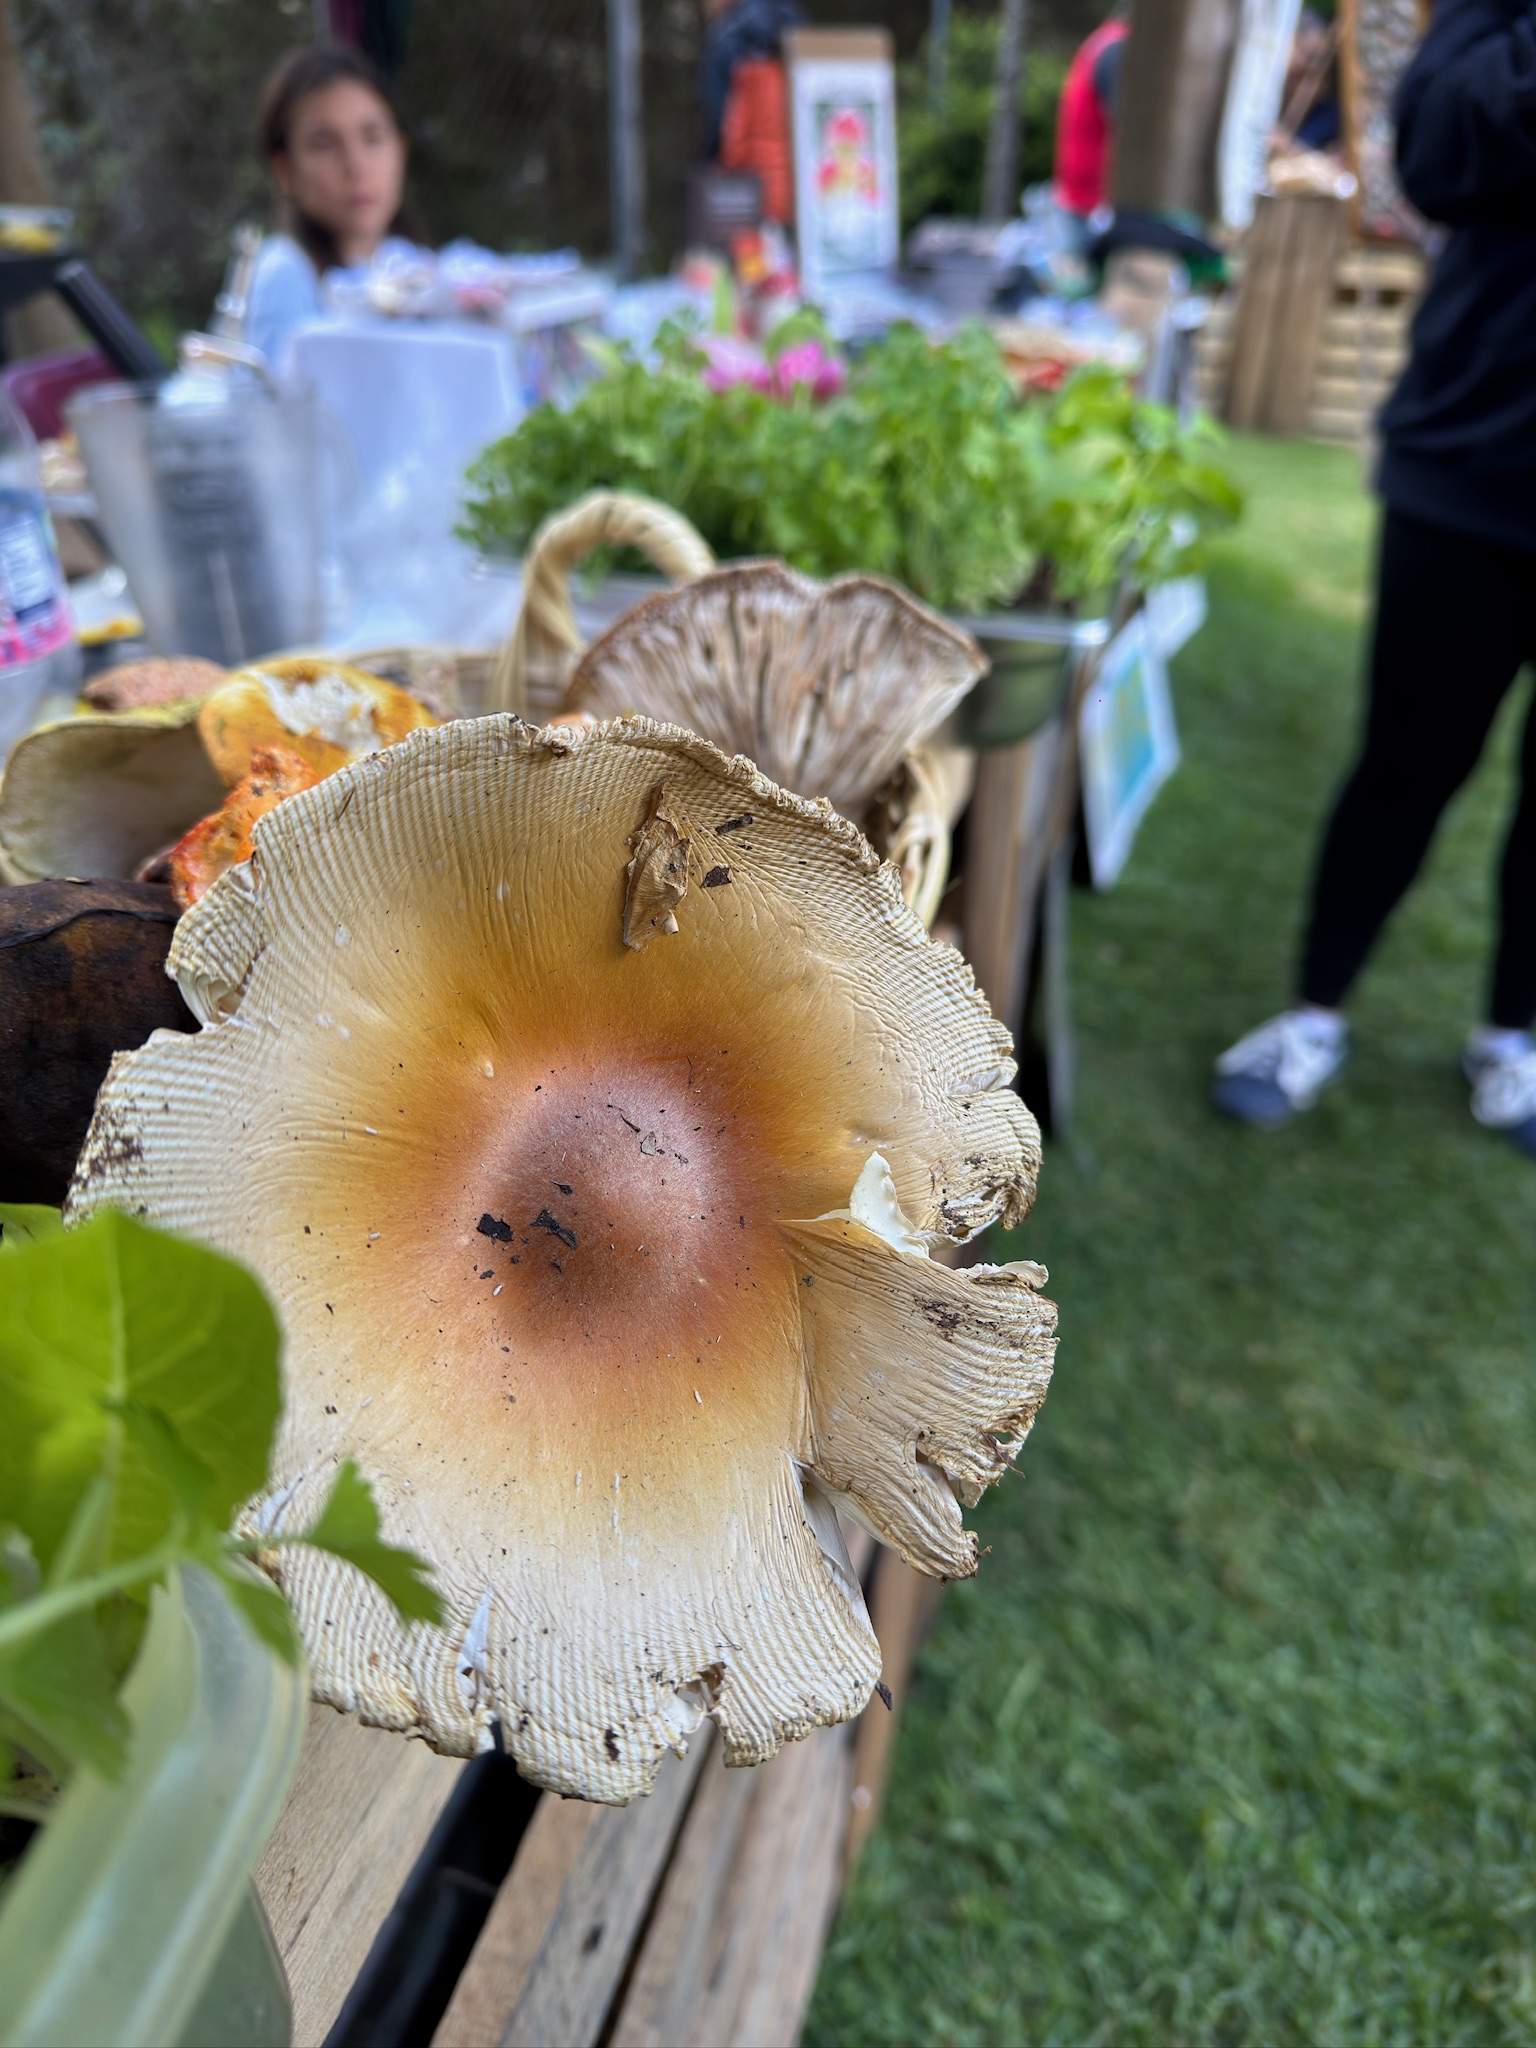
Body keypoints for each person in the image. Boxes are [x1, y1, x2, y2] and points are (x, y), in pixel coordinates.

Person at [1212, 0, 1536, 1156]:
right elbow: (1439, 156)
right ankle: (1312, 1014)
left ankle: (1513, 1033)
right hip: (1472, 467)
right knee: (1405, 762)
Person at [244, 44, 414, 367]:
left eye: (373, 137)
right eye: (324, 144)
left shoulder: (407, 263)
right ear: (284, 169)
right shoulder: (286, 272)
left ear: (401, 149)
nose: (356, 166)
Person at [701, 0, 801, 225]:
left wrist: (715, 167)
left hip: (751, 186)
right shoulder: (794, 27)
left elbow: (722, 123)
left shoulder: (727, 39)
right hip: (804, 183)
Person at [1052, 8, 1129, 222]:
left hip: (1078, 200)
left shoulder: (1104, 39)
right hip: (1092, 209)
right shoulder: (1119, 48)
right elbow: (1128, 131)